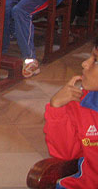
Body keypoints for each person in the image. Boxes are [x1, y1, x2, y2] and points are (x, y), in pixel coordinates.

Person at [43, 38, 98, 189]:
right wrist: (57, 109)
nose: (85, 64)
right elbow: (65, 153)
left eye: (96, 61)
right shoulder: (81, 103)